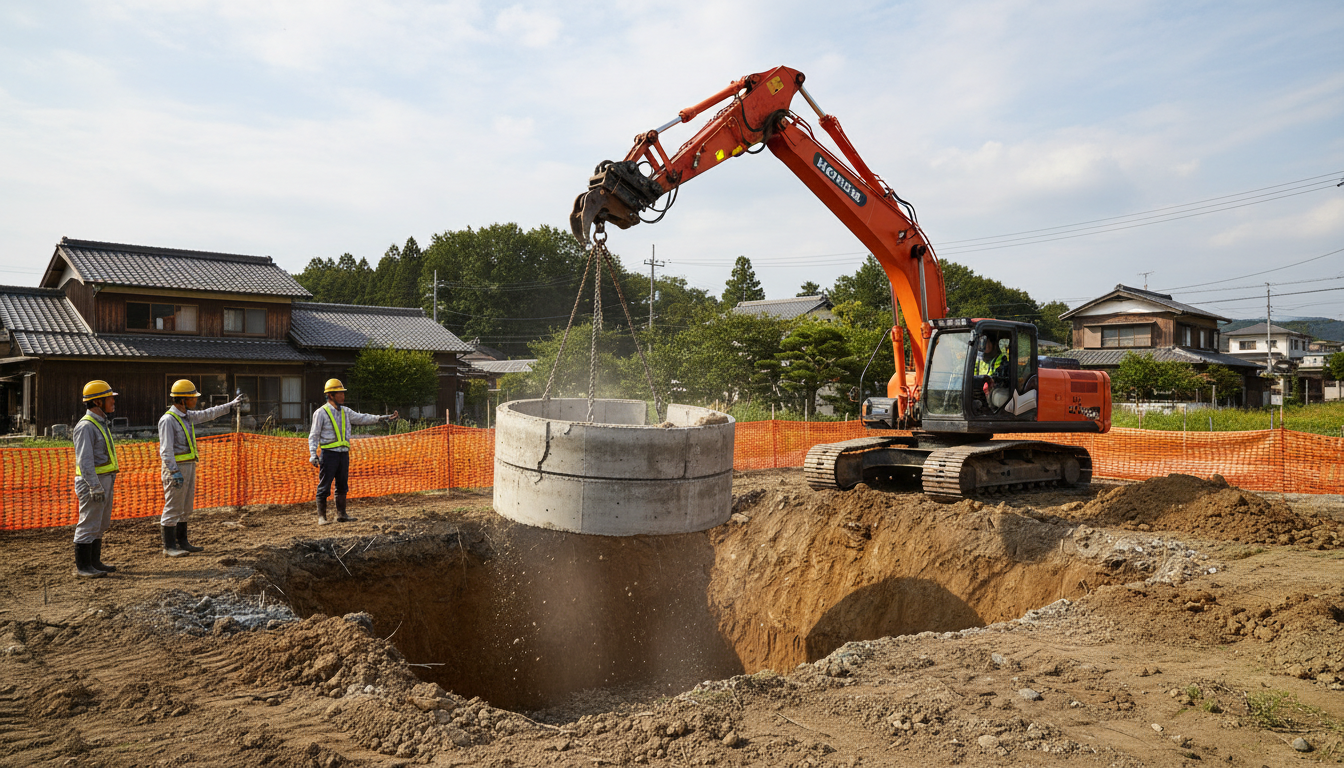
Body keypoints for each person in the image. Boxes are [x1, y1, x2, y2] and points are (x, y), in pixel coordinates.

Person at [158, 379, 243, 557]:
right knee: (173, 506)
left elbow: (208, 414)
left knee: (186, 507)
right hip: (176, 469)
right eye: (192, 398)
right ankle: (169, 546)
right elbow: (166, 451)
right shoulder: (168, 420)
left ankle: (182, 542)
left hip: (188, 466)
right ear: (182, 400)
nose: (195, 400)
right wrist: (174, 472)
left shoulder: (187, 415)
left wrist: (230, 405)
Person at [309, 379, 398, 525]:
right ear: (330, 395)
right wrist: (313, 454)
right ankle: (321, 518)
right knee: (324, 485)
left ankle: (342, 515)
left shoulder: (345, 411)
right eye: (340, 393)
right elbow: (313, 435)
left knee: (342, 485)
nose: (343, 396)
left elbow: (362, 418)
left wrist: (383, 418)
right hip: (329, 454)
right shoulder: (321, 413)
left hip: (343, 454)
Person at [72, 380, 120, 578]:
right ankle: (83, 567)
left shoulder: (100, 423)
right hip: (93, 483)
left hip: (104, 480)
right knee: (89, 522)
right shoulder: (86, 427)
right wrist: (95, 486)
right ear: (98, 402)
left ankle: (94, 562)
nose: (113, 401)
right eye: (110, 398)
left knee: (100, 523)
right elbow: (85, 462)